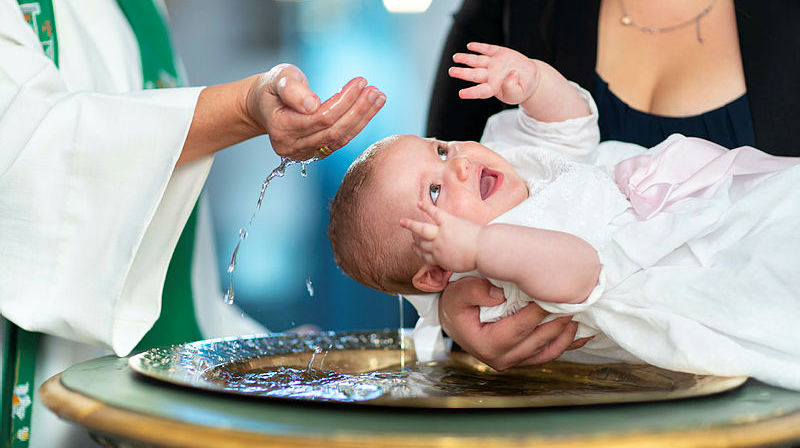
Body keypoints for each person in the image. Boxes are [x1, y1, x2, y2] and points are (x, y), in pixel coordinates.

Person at [0, 0, 385, 446]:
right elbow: (33, 160)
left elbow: (166, 273)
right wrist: (241, 109)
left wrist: (257, 356)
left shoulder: (141, 12)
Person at [328, 42, 800, 391]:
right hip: (691, 265)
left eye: (443, 150)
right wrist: (480, 249)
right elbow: (582, 270)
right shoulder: (499, 283)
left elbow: (570, 127)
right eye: (434, 190)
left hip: (704, 204)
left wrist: (533, 82)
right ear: (439, 268)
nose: (460, 165)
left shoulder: (513, 162)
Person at [425, 0, 800, 372]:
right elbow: (413, 202)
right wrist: (447, 309)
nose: (456, 166)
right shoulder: (507, 12)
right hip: (582, 398)